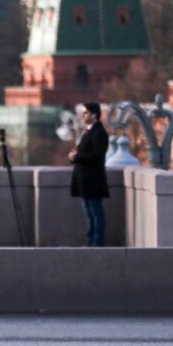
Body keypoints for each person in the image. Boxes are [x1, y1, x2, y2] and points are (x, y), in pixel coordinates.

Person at [68, 102, 109, 246]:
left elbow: (97, 156)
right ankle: (91, 239)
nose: (82, 116)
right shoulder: (89, 131)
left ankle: (97, 241)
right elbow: (84, 152)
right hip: (85, 179)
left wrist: (77, 157)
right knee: (89, 211)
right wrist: (74, 156)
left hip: (93, 179)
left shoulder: (99, 133)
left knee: (95, 211)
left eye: (85, 113)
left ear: (94, 115)